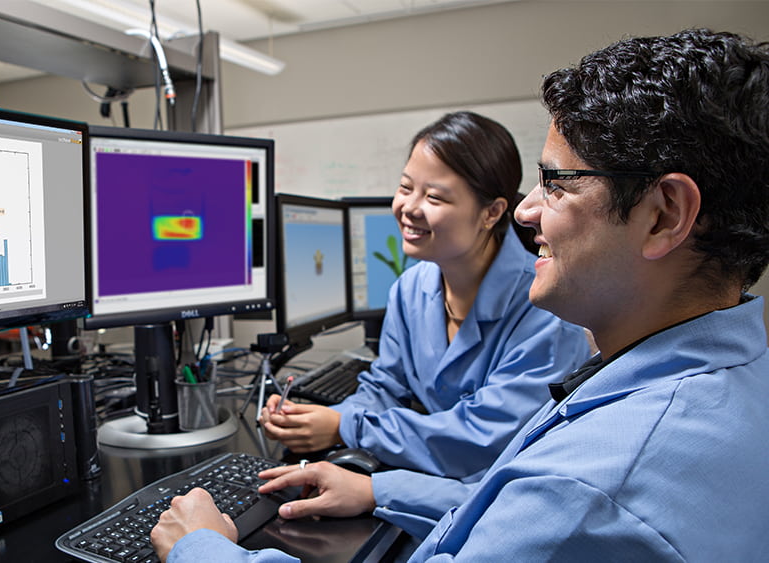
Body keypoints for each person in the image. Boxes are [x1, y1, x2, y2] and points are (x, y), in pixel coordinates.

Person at [151, 28, 769, 561]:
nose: (530, 211)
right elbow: (504, 495)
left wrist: (201, 549)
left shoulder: (590, 488)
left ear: (664, 215)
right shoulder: (725, 378)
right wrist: (379, 489)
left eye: (556, 184)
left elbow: (523, 476)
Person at [259, 111, 590, 479]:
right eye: (404, 188)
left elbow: (483, 440)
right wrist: (325, 418)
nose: (408, 208)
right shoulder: (410, 289)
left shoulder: (546, 310)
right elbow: (386, 386)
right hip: (429, 480)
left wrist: (348, 428)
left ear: (492, 213)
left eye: (433, 196)